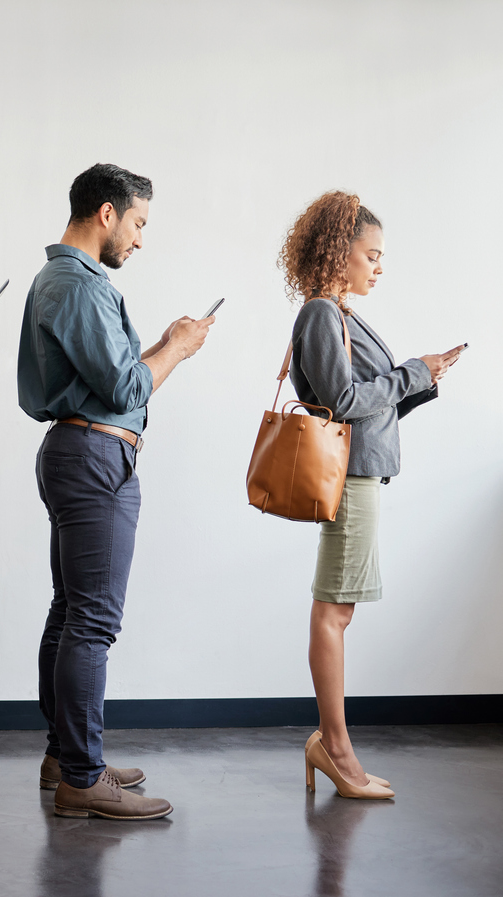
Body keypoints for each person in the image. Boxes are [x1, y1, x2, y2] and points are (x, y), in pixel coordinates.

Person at [17, 163, 214, 820]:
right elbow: (129, 389)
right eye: (137, 222)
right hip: (96, 456)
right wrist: (180, 349)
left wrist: (161, 342)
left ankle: (67, 755)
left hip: (82, 452)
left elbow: (117, 373)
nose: (139, 238)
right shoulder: (75, 282)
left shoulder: (68, 280)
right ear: (106, 213)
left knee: (71, 610)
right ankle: (81, 774)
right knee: (92, 620)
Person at [280, 191, 462, 799]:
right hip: (350, 480)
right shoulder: (320, 316)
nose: (379, 267)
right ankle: (335, 748)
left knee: (339, 610)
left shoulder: (342, 316)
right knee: (333, 612)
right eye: (372, 254)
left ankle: (328, 744)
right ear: (341, 251)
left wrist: (423, 379)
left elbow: (370, 408)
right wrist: (412, 369)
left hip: (362, 474)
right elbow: (345, 405)